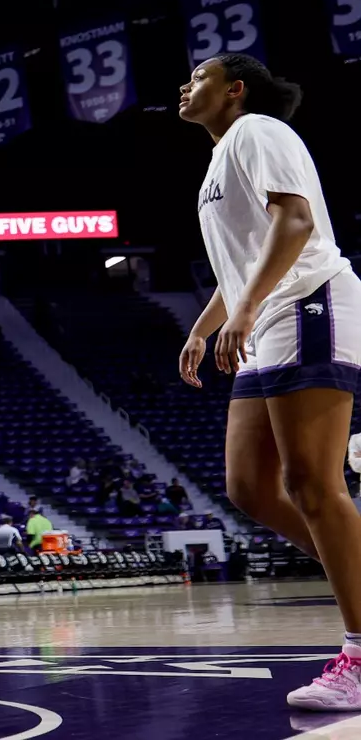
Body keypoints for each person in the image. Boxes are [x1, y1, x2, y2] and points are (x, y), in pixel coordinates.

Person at [176, 53, 361, 711]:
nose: (184, 86)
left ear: (235, 90)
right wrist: (206, 324)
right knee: (250, 487)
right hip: (268, 317)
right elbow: (241, 266)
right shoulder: (218, 163)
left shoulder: (257, 131)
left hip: (309, 301)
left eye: (197, 77)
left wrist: (247, 308)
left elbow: (297, 222)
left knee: (313, 482)